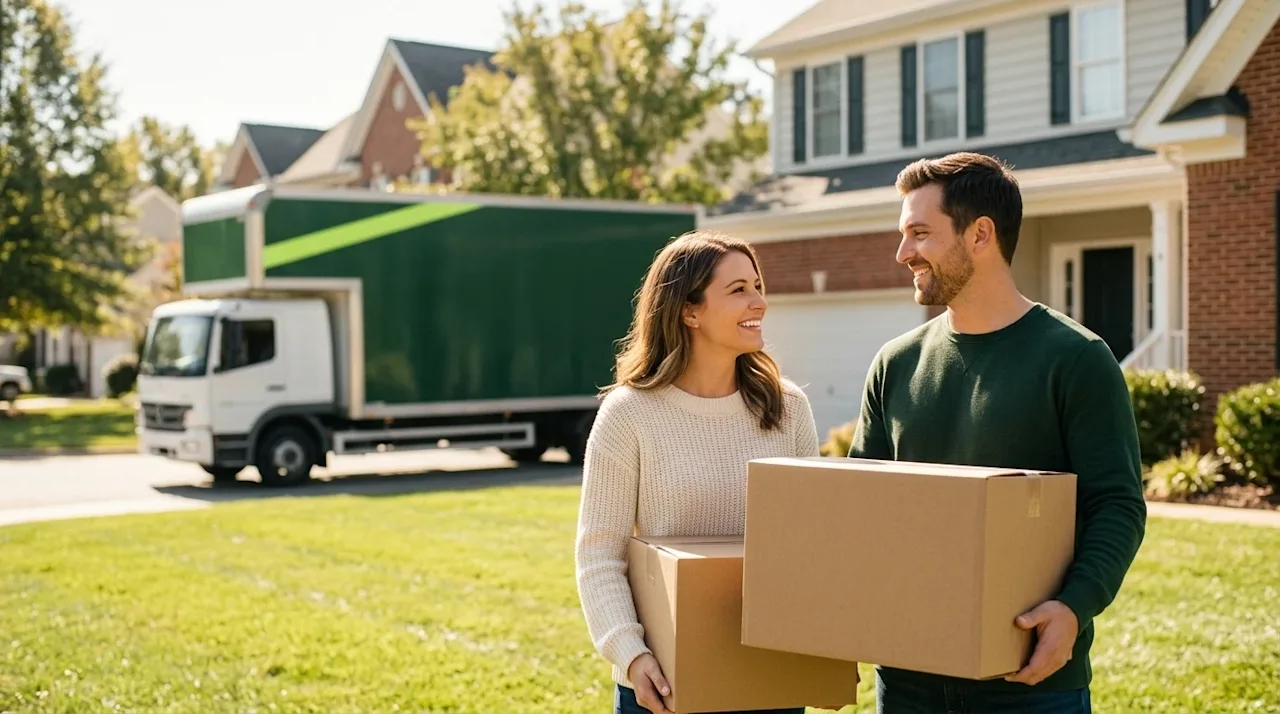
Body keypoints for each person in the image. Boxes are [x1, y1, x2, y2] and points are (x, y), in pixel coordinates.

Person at [847, 152, 1147, 713]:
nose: (903, 252)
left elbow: (1117, 505)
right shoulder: (895, 363)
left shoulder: (1076, 359)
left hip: (1028, 682)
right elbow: (862, 504)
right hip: (907, 678)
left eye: (919, 233)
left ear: (980, 234)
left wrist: (1074, 606)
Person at [574, 229, 827, 714]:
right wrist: (631, 655)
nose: (759, 302)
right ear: (690, 311)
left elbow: (810, 544)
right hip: (665, 680)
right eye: (739, 290)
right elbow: (600, 555)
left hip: (770, 674)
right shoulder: (629, 414)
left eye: (758, 286)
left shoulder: (788, 407)